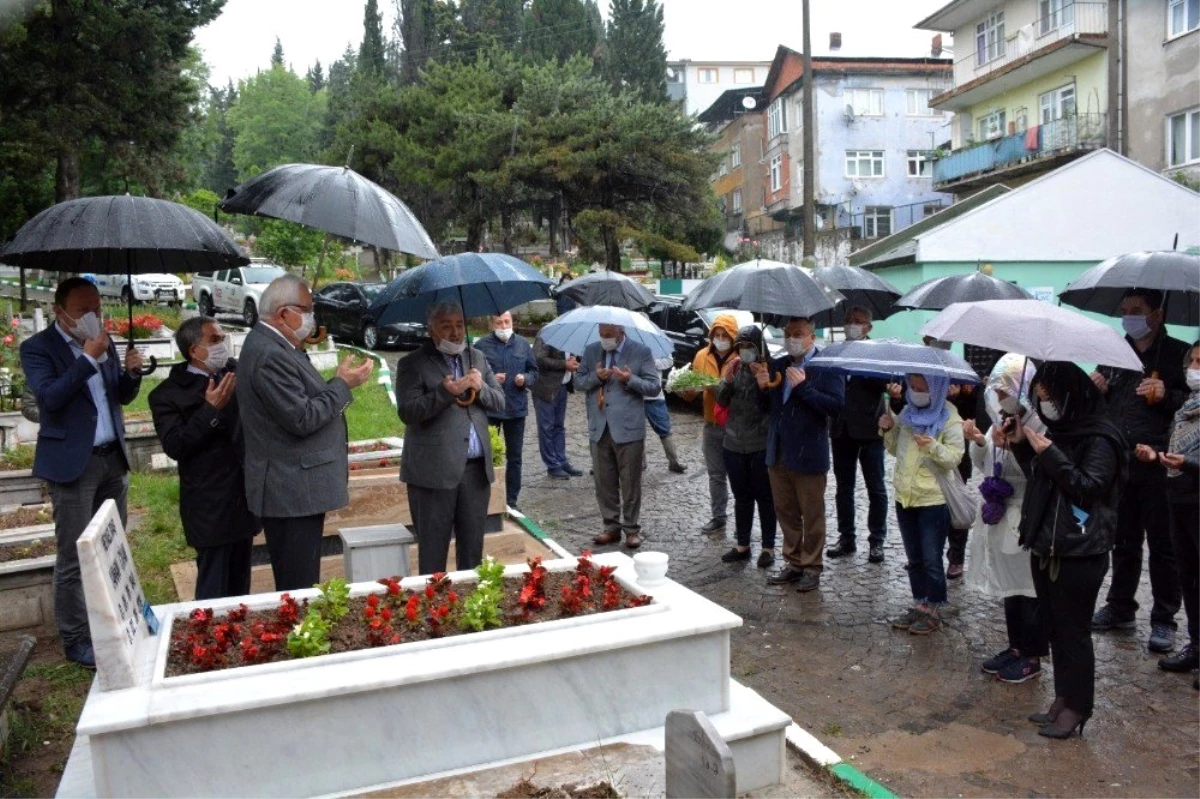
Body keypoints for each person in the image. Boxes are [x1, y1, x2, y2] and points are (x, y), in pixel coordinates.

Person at [20, 277, 144, 668]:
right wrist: (87, 358)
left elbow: (117, 396)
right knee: (75, 554)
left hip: (112, 459)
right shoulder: (38, 348)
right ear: (59, 312)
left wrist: (133, 373)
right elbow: (50, 398)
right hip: (73, 464)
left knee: (111, 545)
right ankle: (75, 639)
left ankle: (114, 618)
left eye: (97, 309)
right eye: (81, 311)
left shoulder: (103, 342)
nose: (92, 317)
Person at [1008, 361, 1126, 739]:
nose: (1047, 407)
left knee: (1074, 632)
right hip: (1048, 545)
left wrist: (1049, 454)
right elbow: (1045, 483)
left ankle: (1078, 707)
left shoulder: (1102, 437)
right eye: (1041, 399)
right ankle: (1063, 698)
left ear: (1071, 396)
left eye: (1051, 398)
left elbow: (1088, 488)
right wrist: (1024, 449)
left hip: (1079, 550)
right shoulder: (1063, 431)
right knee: (1055, 628)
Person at [237, 275, 374, 591]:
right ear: (284, 313)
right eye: (308, 309)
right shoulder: (269, 354)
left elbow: (302, 401)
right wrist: (341, 385)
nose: (313, 317)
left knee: (301, 580)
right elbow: (302, 417)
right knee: (297, 585)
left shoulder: (281, 345)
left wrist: (335, 384)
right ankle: (298, 636)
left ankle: (299, 632)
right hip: (291, 490)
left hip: (296, 487)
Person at [1090, 288, 1185, 654]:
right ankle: (1120, 606)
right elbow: (1096, 403)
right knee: (1122, 540)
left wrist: (1167, 394)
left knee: (1164, 545)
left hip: (1160, 463)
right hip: (1118, 460)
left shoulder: (1176, 354)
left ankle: (1164, 619)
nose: (1129, 316)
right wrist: (1094, 390)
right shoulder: (1114, 353)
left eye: (1137, 310)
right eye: (1125, 310)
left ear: (1157, 314)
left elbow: (1190, 405)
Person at [149, 317, 258, 600]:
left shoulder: (234, 372)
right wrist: (210, 411)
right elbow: (175, 445)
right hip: (209, 502)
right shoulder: (168, 394)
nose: (223, 344)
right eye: (215, 340)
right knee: (214, 586)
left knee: (240, 584)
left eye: (223, 337)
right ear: (195, 351)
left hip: (243, 497)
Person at [396, 301, 505, 573]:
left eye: (459, 325)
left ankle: (470, 607)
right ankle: (435, 612)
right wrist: (446, 393)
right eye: (447, 326)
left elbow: (500, 402)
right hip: (433, 473)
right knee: (433, 553)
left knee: (472, 552)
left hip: (475, 473)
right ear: (432, 330)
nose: (456, 333)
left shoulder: (476, 357)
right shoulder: (413, 363)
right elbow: (408, 412)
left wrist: (479, 388)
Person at [964, 354, 1047, 683]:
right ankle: (1016, 646)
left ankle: (1033, 653)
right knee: (1011, 587)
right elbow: (985, 463)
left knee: (1030, 588)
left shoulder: (1038, 422)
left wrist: (1015, 448)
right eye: (995, 393)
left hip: (1026, 510)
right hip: (1001, 511)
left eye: (1004, 392)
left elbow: (1040, 471)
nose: (998, 399)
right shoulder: (1001, 418)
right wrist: (982, 442)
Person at [1132, 340, 1200, 678]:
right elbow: (1176, 445)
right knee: (1187, 573)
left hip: (1193, 494)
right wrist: (1157, 455)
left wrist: (1188, 462)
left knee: (1188, 568)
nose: (1194, 369)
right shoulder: (1188, 406)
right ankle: (1196, 645)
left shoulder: (1186, 401)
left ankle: (1175, 627)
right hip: (1177, 492)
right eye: (1194, 361)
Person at [765, 318, 845, 592]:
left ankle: (812, 565)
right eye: (788, 334)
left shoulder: (827, 366)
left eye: (798, 334)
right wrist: (761, 386)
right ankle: (793, 561)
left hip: (809, 451)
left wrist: (804, 389)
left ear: (812, 337)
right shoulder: (778, 365)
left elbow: (835, 407)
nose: (792, 339)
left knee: (811, 513)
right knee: (785, 510)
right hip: (779, 450)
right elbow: (767, 408)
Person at [881, 372, 964, 635]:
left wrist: (931, 446)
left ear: (937, 388)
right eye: (912, 386)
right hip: (905, 497)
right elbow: (896, 450)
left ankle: (934, 607)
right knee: (914, 558)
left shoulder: (949, 415)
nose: (916, 391)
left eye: (922, 387)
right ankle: (920, 604)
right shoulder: (907, 412)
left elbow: (954, 458)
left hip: (933, 499)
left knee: (931, 558)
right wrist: (889, 428)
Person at [576, 322, 660, 550]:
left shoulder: (641, 352)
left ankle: (631, 529)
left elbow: (654, 386)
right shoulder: (592, 350)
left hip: (628, 429)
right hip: (600, 427)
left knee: (630, 482)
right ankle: (610, 526)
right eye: (602, 334)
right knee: (604, 481)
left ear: (621, 331)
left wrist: (629, 380)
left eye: (609, 335)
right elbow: (578, 382)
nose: (605, 338)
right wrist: (596, 377)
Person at [827, 306, 889, 563]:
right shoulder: (835, 351)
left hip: (871, 430)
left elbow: (886, 383)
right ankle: (846, 537)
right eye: (849, 321)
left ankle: (877, 541)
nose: (852, 325)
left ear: (868, 327)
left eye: (858, 321)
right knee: (844, 488)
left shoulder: (878, 353)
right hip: (841, 429)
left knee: (876, 488)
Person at [714, 326, 776, 567]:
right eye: (740, 346)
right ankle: (743, 545)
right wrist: (727, 381)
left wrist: (763, 383)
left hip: (759, 443)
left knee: (765, 497)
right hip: (733, 442)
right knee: (741, 497)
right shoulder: (735, 366)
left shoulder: (770, 368)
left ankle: (768, 547)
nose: (744, 351)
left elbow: (771, 407)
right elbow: (720, 400)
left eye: (749, 346)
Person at [474, 311, 538, 509]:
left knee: (515, 457)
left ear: (512, 322)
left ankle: (511, 499)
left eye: (507, 322)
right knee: (486, 454)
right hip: (490, 408)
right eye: (499, 323)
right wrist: (490, 379)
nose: (503, 326)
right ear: (492, 325)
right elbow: (473, 375)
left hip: (515, 408)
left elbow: (534, 372)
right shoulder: (481, 346)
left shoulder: (523, 345)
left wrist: (525, 379)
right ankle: (486, 496)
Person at [688, 313, 739, 534]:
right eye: (716, 335)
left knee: (739, 476)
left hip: (736, 425)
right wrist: (686, 391)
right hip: (711, 424)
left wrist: (718, 387)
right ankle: (718, 516)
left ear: (733, 337)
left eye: (724, 335)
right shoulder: (701, 356)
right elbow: (691, 391)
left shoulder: (741, 358)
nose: (720, 339)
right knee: (716, 474)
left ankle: (742, 520)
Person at [531, 332, 583, 479]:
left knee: (559, 426)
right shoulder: (546, 333)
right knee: (546, 427)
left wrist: (574, 359)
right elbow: (538, 358)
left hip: (563, 386)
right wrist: (564, 364)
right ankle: (552, 465)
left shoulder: (571, 333)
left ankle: (561, 460)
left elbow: (569, 356)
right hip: (545, 387)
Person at [643, 353, 687, 474]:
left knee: (664, 429)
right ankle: (640, 462)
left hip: (655, 396)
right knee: (636, 431)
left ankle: (674, 461)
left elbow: (669, 361)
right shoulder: (627, 344)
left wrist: (651, 361)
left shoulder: (657, 344)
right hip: (633, 396)